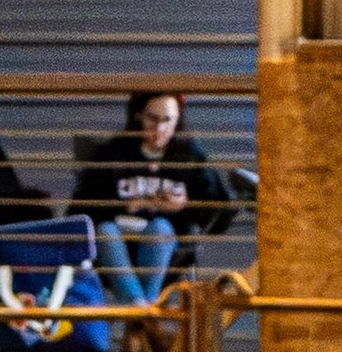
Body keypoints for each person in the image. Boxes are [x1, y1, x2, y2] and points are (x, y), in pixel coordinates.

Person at [73, 92, 230, 332]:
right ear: (138, 117)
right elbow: (81, 208)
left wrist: (183, 206)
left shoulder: (189, 156)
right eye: (152, 119)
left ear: (178, 120)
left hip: (166, 251)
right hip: (117, 247)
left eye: (168, 120)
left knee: (161, 228)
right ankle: (149, 315)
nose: (159, 128)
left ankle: (139, 313)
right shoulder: (115, 153)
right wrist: (126, 205)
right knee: (104, 230)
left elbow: (219, 213)